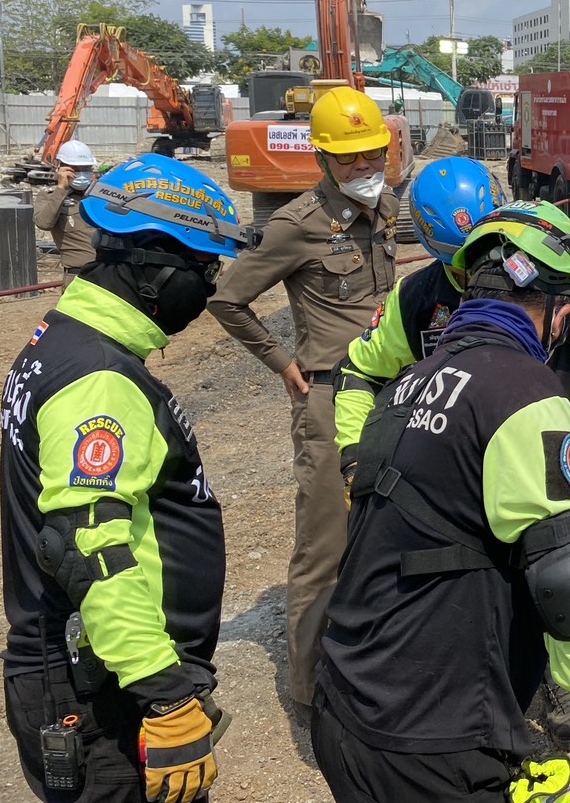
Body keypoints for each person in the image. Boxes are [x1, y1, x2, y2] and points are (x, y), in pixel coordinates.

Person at [314, 204, 570, 803]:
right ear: (560, 311)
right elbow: (567, 574)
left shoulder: (406, 387)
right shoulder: (525, 393)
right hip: (432, 739)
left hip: (347, 708)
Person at [1, 155, 250, 802]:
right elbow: (85, 546)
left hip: (95, 673)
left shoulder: (65, 339)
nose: (209, 288)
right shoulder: (100, 379)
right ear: (151, 265)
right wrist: (165, 696)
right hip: (106, 690)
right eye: (204, 269)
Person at [208, 86, 399, 722]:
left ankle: (372, 667)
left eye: (373, 154)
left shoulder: (385, 209)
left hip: (387, 395)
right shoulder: (298, 224)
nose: (364, 167)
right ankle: (311, 697)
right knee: (326, 548)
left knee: (385, 532)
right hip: (329, 397)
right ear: (322, 158)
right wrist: (283, 362)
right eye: (349, 158)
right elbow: (227, 299)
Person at [34, 138, 100, 288]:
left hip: (107, 273)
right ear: (61, 169)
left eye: (86, 168)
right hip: (78, 277)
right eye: (75, 169)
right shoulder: (50, 197)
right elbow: (44, 223)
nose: (81, 174)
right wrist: (61, 190)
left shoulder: (99, 196)